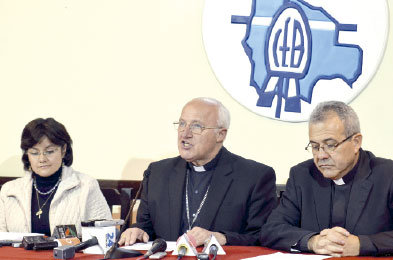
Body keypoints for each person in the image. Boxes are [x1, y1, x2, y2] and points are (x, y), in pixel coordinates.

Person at [119, 97, 277, 246]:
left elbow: (263, 236)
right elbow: (145, 227)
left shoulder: (254, 177)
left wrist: (222, 237)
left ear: (220, 135)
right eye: (182, 124)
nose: (185, 133)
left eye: (196, 126)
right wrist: (138, 231)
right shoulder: (158, 173)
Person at [260, 101, 393, 257]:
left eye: (330, 145)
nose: (321, 155)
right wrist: (312, 241)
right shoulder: (302, 175)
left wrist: (361, 244)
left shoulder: (387, 175)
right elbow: (271, 229)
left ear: (356, 142)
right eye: (315, 147)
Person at [0, 118, 112, 236]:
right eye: (34, 153)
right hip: (18, 255)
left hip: (70, 255)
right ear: (27, 154)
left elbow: (106, 234)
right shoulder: (9, 191)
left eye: (49, 151)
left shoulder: (86, 186)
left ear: (63, 150)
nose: (42, 159)